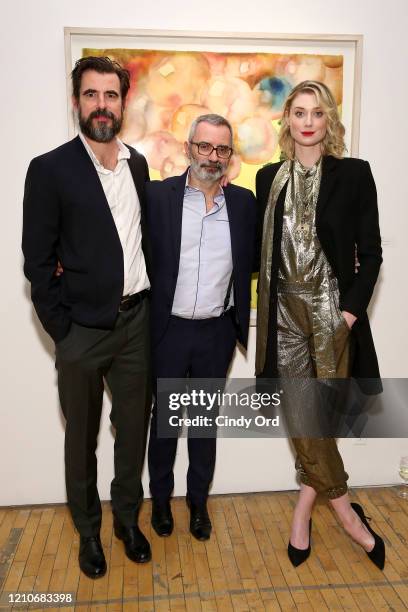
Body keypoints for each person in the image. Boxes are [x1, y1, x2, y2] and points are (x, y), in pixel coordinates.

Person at [22, 56, 152, 579]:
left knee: (133, 432)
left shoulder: (138, 164)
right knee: (81, 440)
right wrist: (63, 331)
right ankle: (89, 533)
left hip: (136, 325)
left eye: (112, 95)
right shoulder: (49, 169)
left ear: (124, 102)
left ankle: (126, 520)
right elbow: (36, 260)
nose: (103, 105)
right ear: (76, 101)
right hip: (81, 332)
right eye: (92, 94)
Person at [255, 81, 385, 569]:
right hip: (284, 314)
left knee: (320, 418)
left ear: (329, 121)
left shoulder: (354, 174)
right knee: (304, 418)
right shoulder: (267, 178)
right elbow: (258, 253)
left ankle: (305, 509)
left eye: (318, 113)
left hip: (333, 311)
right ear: (287, 119)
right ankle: (347, 514)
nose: (308, 121)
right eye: (299, 113)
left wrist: (349, 314)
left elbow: (370, 254)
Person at [147, 114, 256, 541]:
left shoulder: (245, 204)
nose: (213, 157)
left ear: (231, 156)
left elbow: (263, 257)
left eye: (222, 149)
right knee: (166, 422)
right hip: (168, 331)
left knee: (204, 424)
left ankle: (198, 504)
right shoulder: (158, 197)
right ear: (189, 147)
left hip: (216, 333)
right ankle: (159, 501)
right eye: (205, 147)